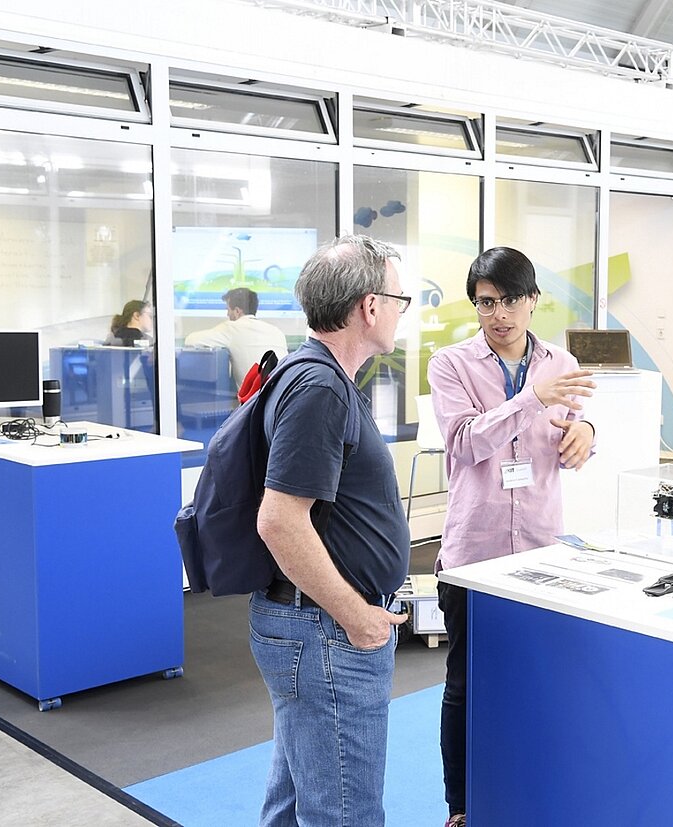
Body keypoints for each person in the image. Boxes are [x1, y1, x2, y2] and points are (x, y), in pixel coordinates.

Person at [427, 246, 596, 827]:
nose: (497, 315)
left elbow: (569, 428)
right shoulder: (450, 364)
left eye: (508, 301)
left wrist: (587, 434)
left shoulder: (560, 361)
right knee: (464, 685)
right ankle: (461, 806)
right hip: (474, 554)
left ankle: (528, 791)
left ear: (532, 301)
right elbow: (465, 442)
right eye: (485, 303)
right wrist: (531, 400)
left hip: (542, 549)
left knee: (538, 680)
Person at [249, 235, 411, 826]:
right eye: (399, 300)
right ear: (370, 307)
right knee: (345, 813)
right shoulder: (319, 389)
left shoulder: (319, 378)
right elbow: (279, 520)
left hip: (314, 628)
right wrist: (356, 615)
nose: (400, 312)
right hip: (327, 633)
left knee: (295, 803)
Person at [184, 287, 289, 389]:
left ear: (237, 311)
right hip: (285, 394)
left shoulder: (231, 328)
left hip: (258, 398)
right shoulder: (277, 332)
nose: (227, 314)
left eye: (228, 310)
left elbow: (191, 340)